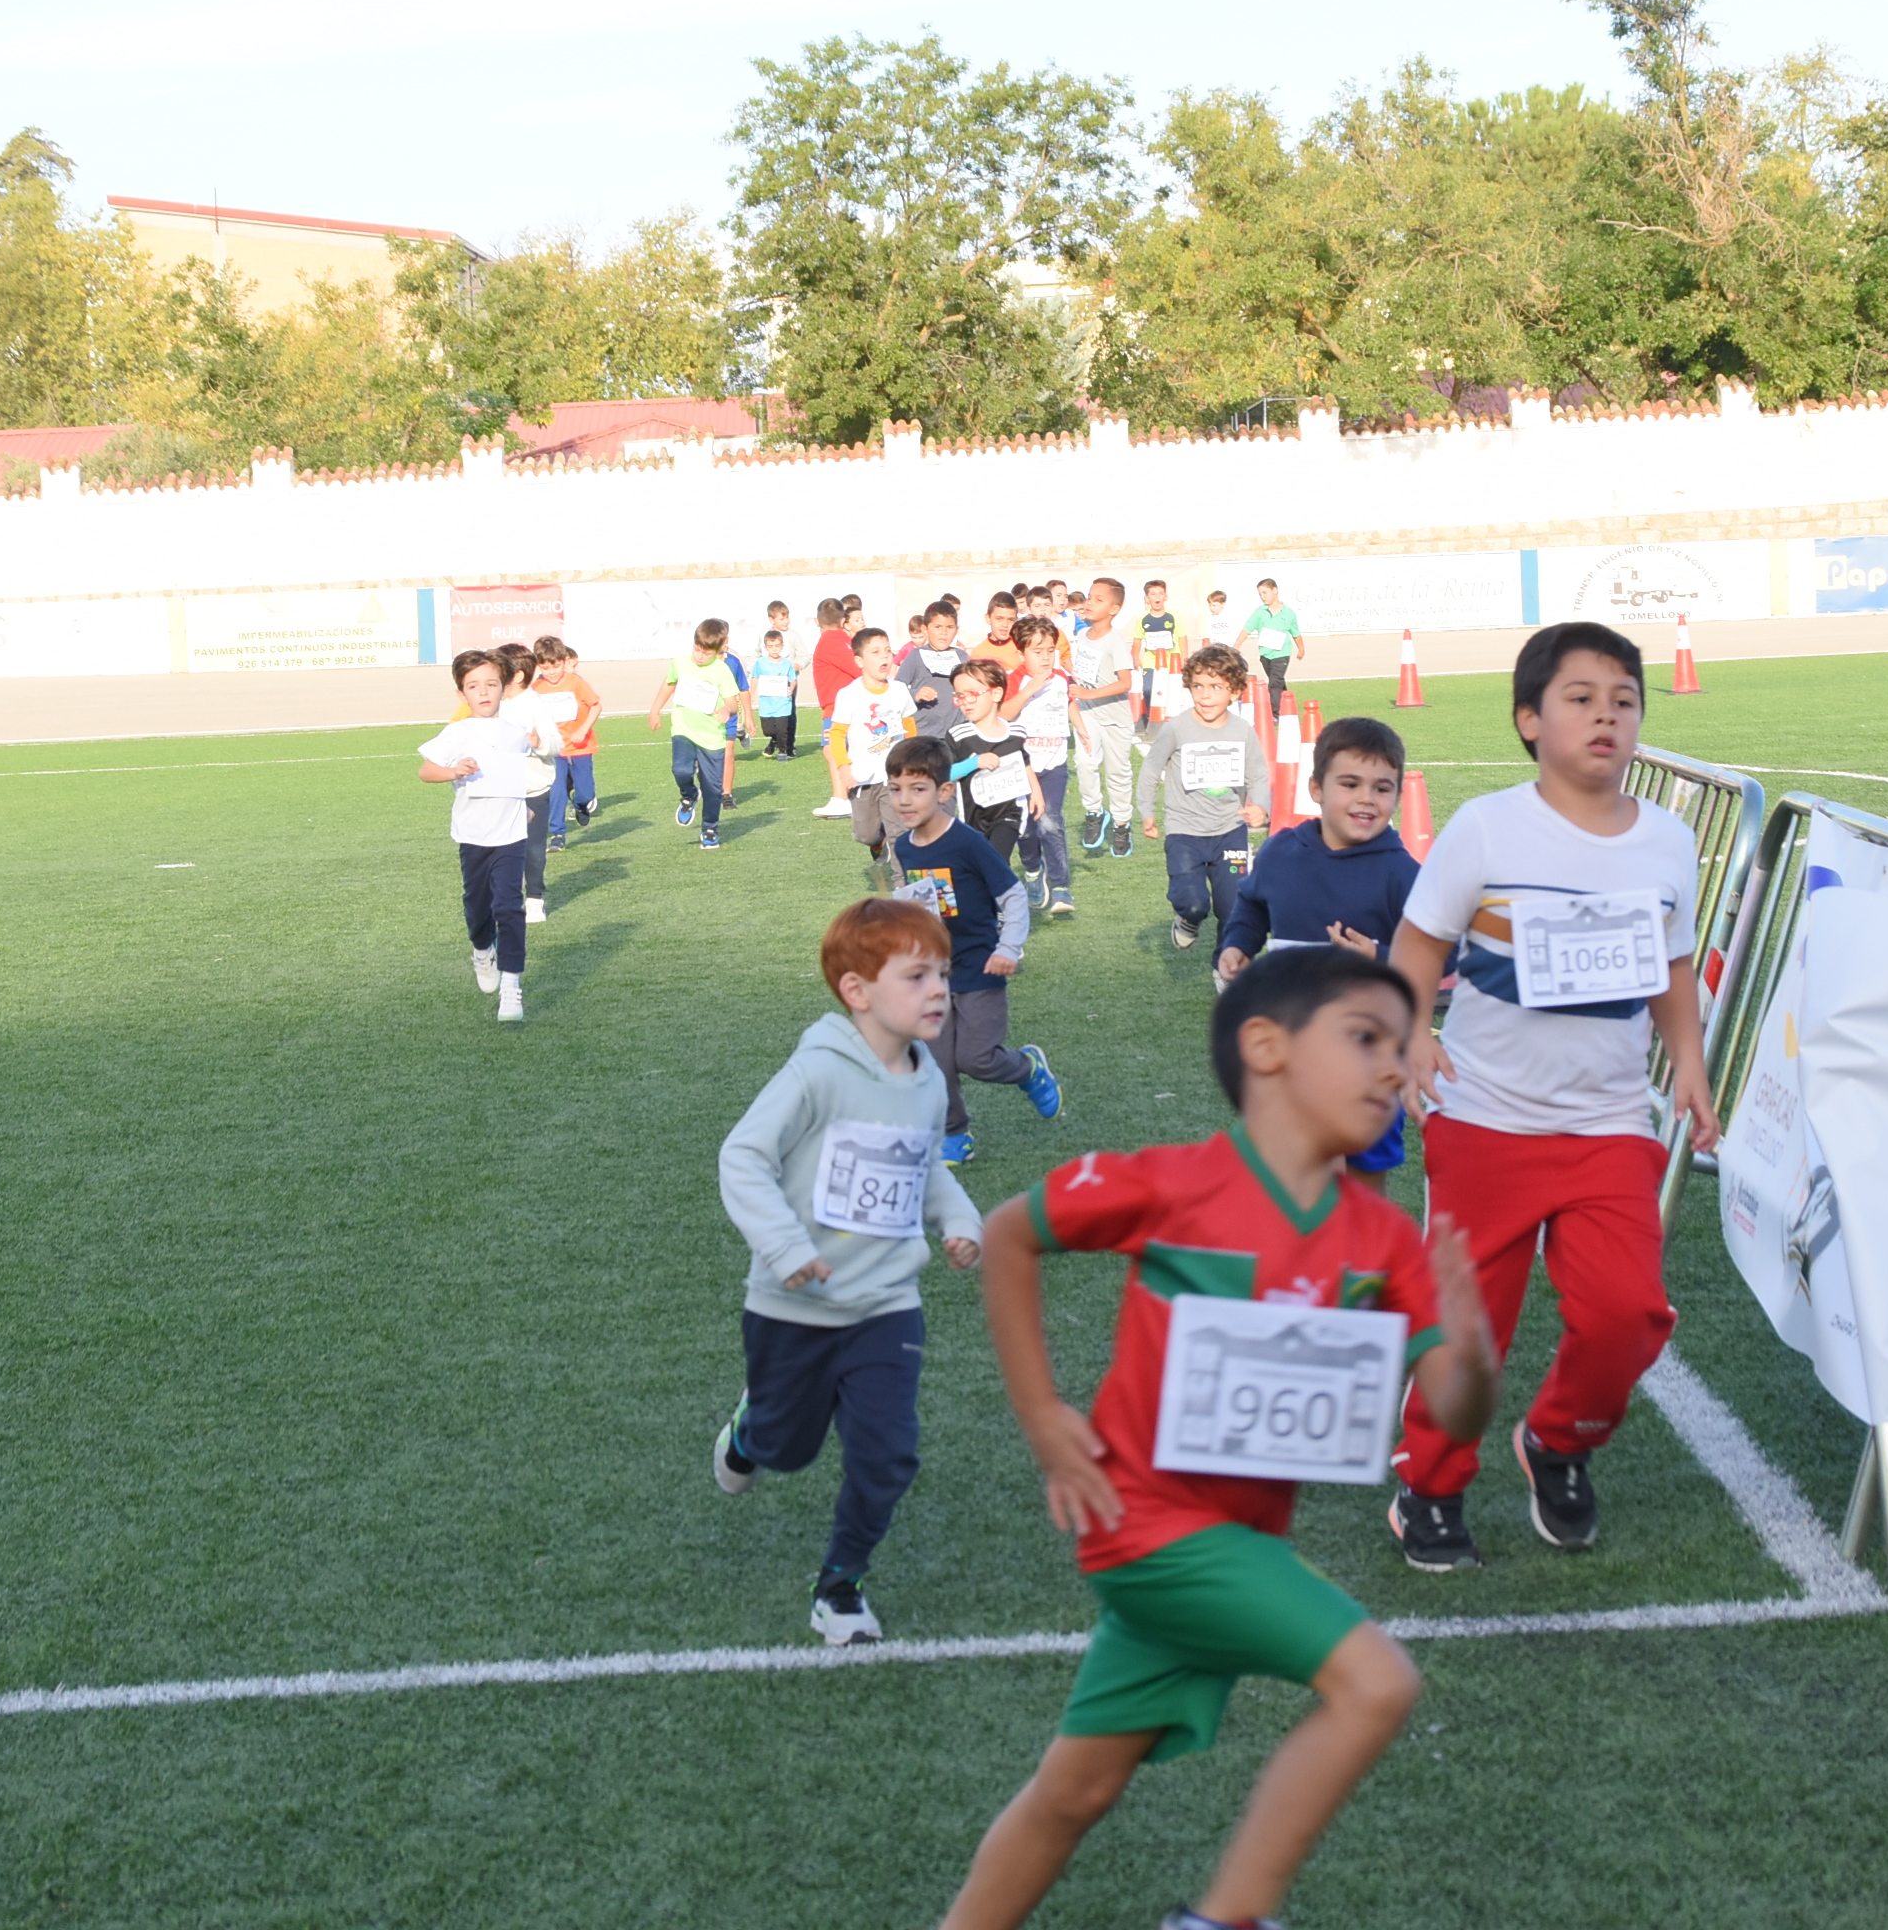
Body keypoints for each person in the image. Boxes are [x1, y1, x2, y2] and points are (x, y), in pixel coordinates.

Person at [937, 946, 1499, 1930]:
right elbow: (1008, 1233)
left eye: (1401, 1047)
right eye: (1366, 1037)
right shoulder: (1174, 1184)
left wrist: (1470, 1344)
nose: (1391, 1068)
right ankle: (1225, 1918)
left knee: (1074, 1792)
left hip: (1235, 1543)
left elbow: (1452, 1408)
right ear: (1265, 1046)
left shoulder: (1383, 1240)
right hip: (1145, 1526)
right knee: (1376, 1680)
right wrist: (1043, 1416)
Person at [1383, 621, 1718, 1571]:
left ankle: (1559, 1441)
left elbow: (1674, 961)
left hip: (1610, 1123)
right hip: (1483, 1118)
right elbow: (1418, 945)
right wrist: (1412, 1034)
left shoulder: (1668, 839)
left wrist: (1686, 1057)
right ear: (1531, 720)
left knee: (1629, 1314)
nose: (1605, 716)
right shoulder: (1488, 825)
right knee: (1466, 1329)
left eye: (1623, 699)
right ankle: (1431, 1488)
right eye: (1580, 699)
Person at [714, 897, 986, 1647]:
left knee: (888, 1453)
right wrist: (784, 1247)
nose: (939, 990)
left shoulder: (929, 1080)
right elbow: (742, 1156)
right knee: (786, 1448)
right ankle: (748, 1432)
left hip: (886, 1304)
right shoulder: (816, 1074)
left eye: (942, 973)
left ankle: (840, 1586)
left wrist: (959, 1221)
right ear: (857, 992)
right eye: (917, 976)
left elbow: (925, 1167)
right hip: (793, 1305)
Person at [1218, 717, 1419, 1174]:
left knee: (1365, 1177)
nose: (1366, 799)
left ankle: (1364, 1245)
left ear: (1397, 797)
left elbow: (1437, 954)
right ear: (1316, 788)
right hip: (1292, 1048)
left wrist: (1381, 960)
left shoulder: (1402, 873)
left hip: (1371, 1059)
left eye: (1382, 788)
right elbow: (1251, 906)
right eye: (1350, 783)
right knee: (1293, 1172)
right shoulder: (1281, 853)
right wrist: (1237, 944)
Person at [885, 737, 1061, 1167]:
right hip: (932, 974)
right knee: (937, 1060)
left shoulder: (968, 843)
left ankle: (1027, 1068)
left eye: (918, 788)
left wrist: (1008, 948)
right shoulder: (904, 847)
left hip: (981, 966)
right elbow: (917, 898)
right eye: (896, 789)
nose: (905, 800)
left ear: (945, 792)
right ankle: (954, 1134)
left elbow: (1014, 896)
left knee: (976, 1058)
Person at [415, 649, 541, 1024]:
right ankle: (482, 949)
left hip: (512, 832)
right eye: (473, 686)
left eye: (491, 684)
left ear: (504, 688)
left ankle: (512, 987)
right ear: (462, 694)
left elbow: (517, 776)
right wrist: (454, 771)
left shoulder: (517, 734)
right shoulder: (458, 732)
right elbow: (426, 771)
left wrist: (525, 806)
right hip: (473, 834)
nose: (483, 692)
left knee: (509, 905)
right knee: (477, 904)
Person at [1133, 643, 1268, 954]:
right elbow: (1152, 768)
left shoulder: (1243, 731)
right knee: (1192, 902)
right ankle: (1188, 920)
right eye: (1198, 686)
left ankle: (1224, 967)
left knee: (1233, 907)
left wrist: (1260, 807)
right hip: (1184, 833)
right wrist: (1147, 811)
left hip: (1231, 832)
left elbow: (1258, 776)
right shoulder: (1177, 728)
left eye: (1216, 687)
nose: (1205, 695)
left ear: (1234, 691)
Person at [647, 618, 750, 852]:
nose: (700, 656)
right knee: (680, 769)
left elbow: (733, 701)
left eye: (706, 652)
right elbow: (669, 684)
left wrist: (727, 710)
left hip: (712, 737)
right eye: (697, 649)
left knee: (714, 788)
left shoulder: (722, 670)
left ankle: (710, 828)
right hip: (683, 729)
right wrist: (655, 710)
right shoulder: (680, 663)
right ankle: (689, 795)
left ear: (719, 648)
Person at [829, 626, 922, 877]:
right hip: (863, 778)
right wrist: (844, 768)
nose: (884, 657)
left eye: (888, 651)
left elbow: (909, 726)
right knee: (866, 832)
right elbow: (837, 735)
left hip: (894, 777)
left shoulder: (899, 691)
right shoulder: (849, 695)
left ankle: (904, 883)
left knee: (899, 833)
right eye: (876, 652)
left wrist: (913, 761)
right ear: (859, 660)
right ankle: (876, 842)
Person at [1002, 615, 1076, 918]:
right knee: (1026, 826)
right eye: (1037, 651)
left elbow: (1069, 701)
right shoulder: (1014, 679)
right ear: (1021, 654)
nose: (1046, 657)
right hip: (1021, 766)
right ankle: (1033, 870)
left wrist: (1081, 729)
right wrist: (1030, 688)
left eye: (1049, 650)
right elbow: (1004, 714)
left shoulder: (1061, 677)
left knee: (1050, 820)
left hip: (1054, 763)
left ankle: (1060, 886)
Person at [1068, 578, 1140, 860]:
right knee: (1084, 762)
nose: (1089, 603)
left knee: (1118, 773)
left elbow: (1125, 682)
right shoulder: (1082, 637)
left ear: (1114, 609)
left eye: (1098, 600)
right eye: (1089, 597)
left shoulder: (1115, 641)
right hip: (1088, 712)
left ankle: (1122, 824)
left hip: (1115, 718)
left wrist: (1090, 692)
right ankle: (1094, 813)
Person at [947, 659, 1039, 868]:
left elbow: (1024, 763)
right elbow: (945, 773)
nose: (966, 701)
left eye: (972, 694)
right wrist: (974, 763)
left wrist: (1036, 792)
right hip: (973, 818)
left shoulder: (1016, 732)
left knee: (997, 860)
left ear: (996, 694)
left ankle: (1003, 897)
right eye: (960, 696)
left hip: (1010, 813)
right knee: (978, 869)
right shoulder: (959, 735)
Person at [496, 645, 562, 924]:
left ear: (518, 675)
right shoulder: (492, 702)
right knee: (500, 850)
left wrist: (539, 743)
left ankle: (534, 899)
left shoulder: (534, 705)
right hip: (498, 792)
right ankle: (504, 900)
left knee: (533, 850)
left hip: (533, 790)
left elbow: (557, 744)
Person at [529, 638, 600, 848]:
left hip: (580, 746)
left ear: (563, 661)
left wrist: (582, 729)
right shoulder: (536, 688)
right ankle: (557, 834)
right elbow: (531, 715)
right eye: (545, 667)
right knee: (557, 790)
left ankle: (580, 805)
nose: (551, 672)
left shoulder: (575, 682)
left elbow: (595, 705)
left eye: (556, 666)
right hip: (554, 749)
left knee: (585, 792)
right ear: (538, 665)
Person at [812, 597, 859, 818]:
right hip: (843, 704)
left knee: (832, 749)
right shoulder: (845, 640)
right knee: (841, 750)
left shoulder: (830, 642)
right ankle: (848, 796)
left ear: (817, 621)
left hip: (837, 707)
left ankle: (841, 798)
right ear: (843, 619)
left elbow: (856, 669)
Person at [897, 601, 968, 744]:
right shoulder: (916, 656)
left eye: (949, 627)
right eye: (937, 627)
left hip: (957, 734)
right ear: (925, 629)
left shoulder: (963, 657)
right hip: (924, 734)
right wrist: (915, 694)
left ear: (956, 629)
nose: (944, 632)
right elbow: (896, 690)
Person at [1243, 579, 1305, 719]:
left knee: (1274, 683)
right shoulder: (1260, 612)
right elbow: (1247, 629)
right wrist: (1236, 645)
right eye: (1260, 594)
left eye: (1265, 592)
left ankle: (1275, 715)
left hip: (1282, 654)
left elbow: (1296, 633)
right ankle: (1287, 708)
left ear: (1275, 590)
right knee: (1278, 682)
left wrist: (1301, 649)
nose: (1262, 596)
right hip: (1265, 654)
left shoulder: (1288, 613)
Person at [1134, 580, 1181, 728]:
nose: (1157, 597)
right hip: (1150, 662)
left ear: (1165, 596)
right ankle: (1151, 718)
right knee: (1148, 689)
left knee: (1171, 693)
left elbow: (1182, 637)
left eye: (1160, 593)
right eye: (1153, 594)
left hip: (1172, 662)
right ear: (1147, 598)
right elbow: (1137, 640)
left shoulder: (1174, 616)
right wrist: (1136, 657)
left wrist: (1183, 659)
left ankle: (1171, 721)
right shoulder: (1141, 619)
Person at [754, 629, 802, 759]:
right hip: (766, 704)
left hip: (782, 703)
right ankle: (774, 740)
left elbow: (793, 680)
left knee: (782, 729)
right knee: (767, 730)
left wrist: (790, 689)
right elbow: (754, 678)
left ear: (782, 646)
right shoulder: (760, 663)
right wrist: (752, 694)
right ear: (765, 647)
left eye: (776, 646)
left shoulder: (787, 664)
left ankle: (783, 752)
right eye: (770, 646)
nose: (774, 649)